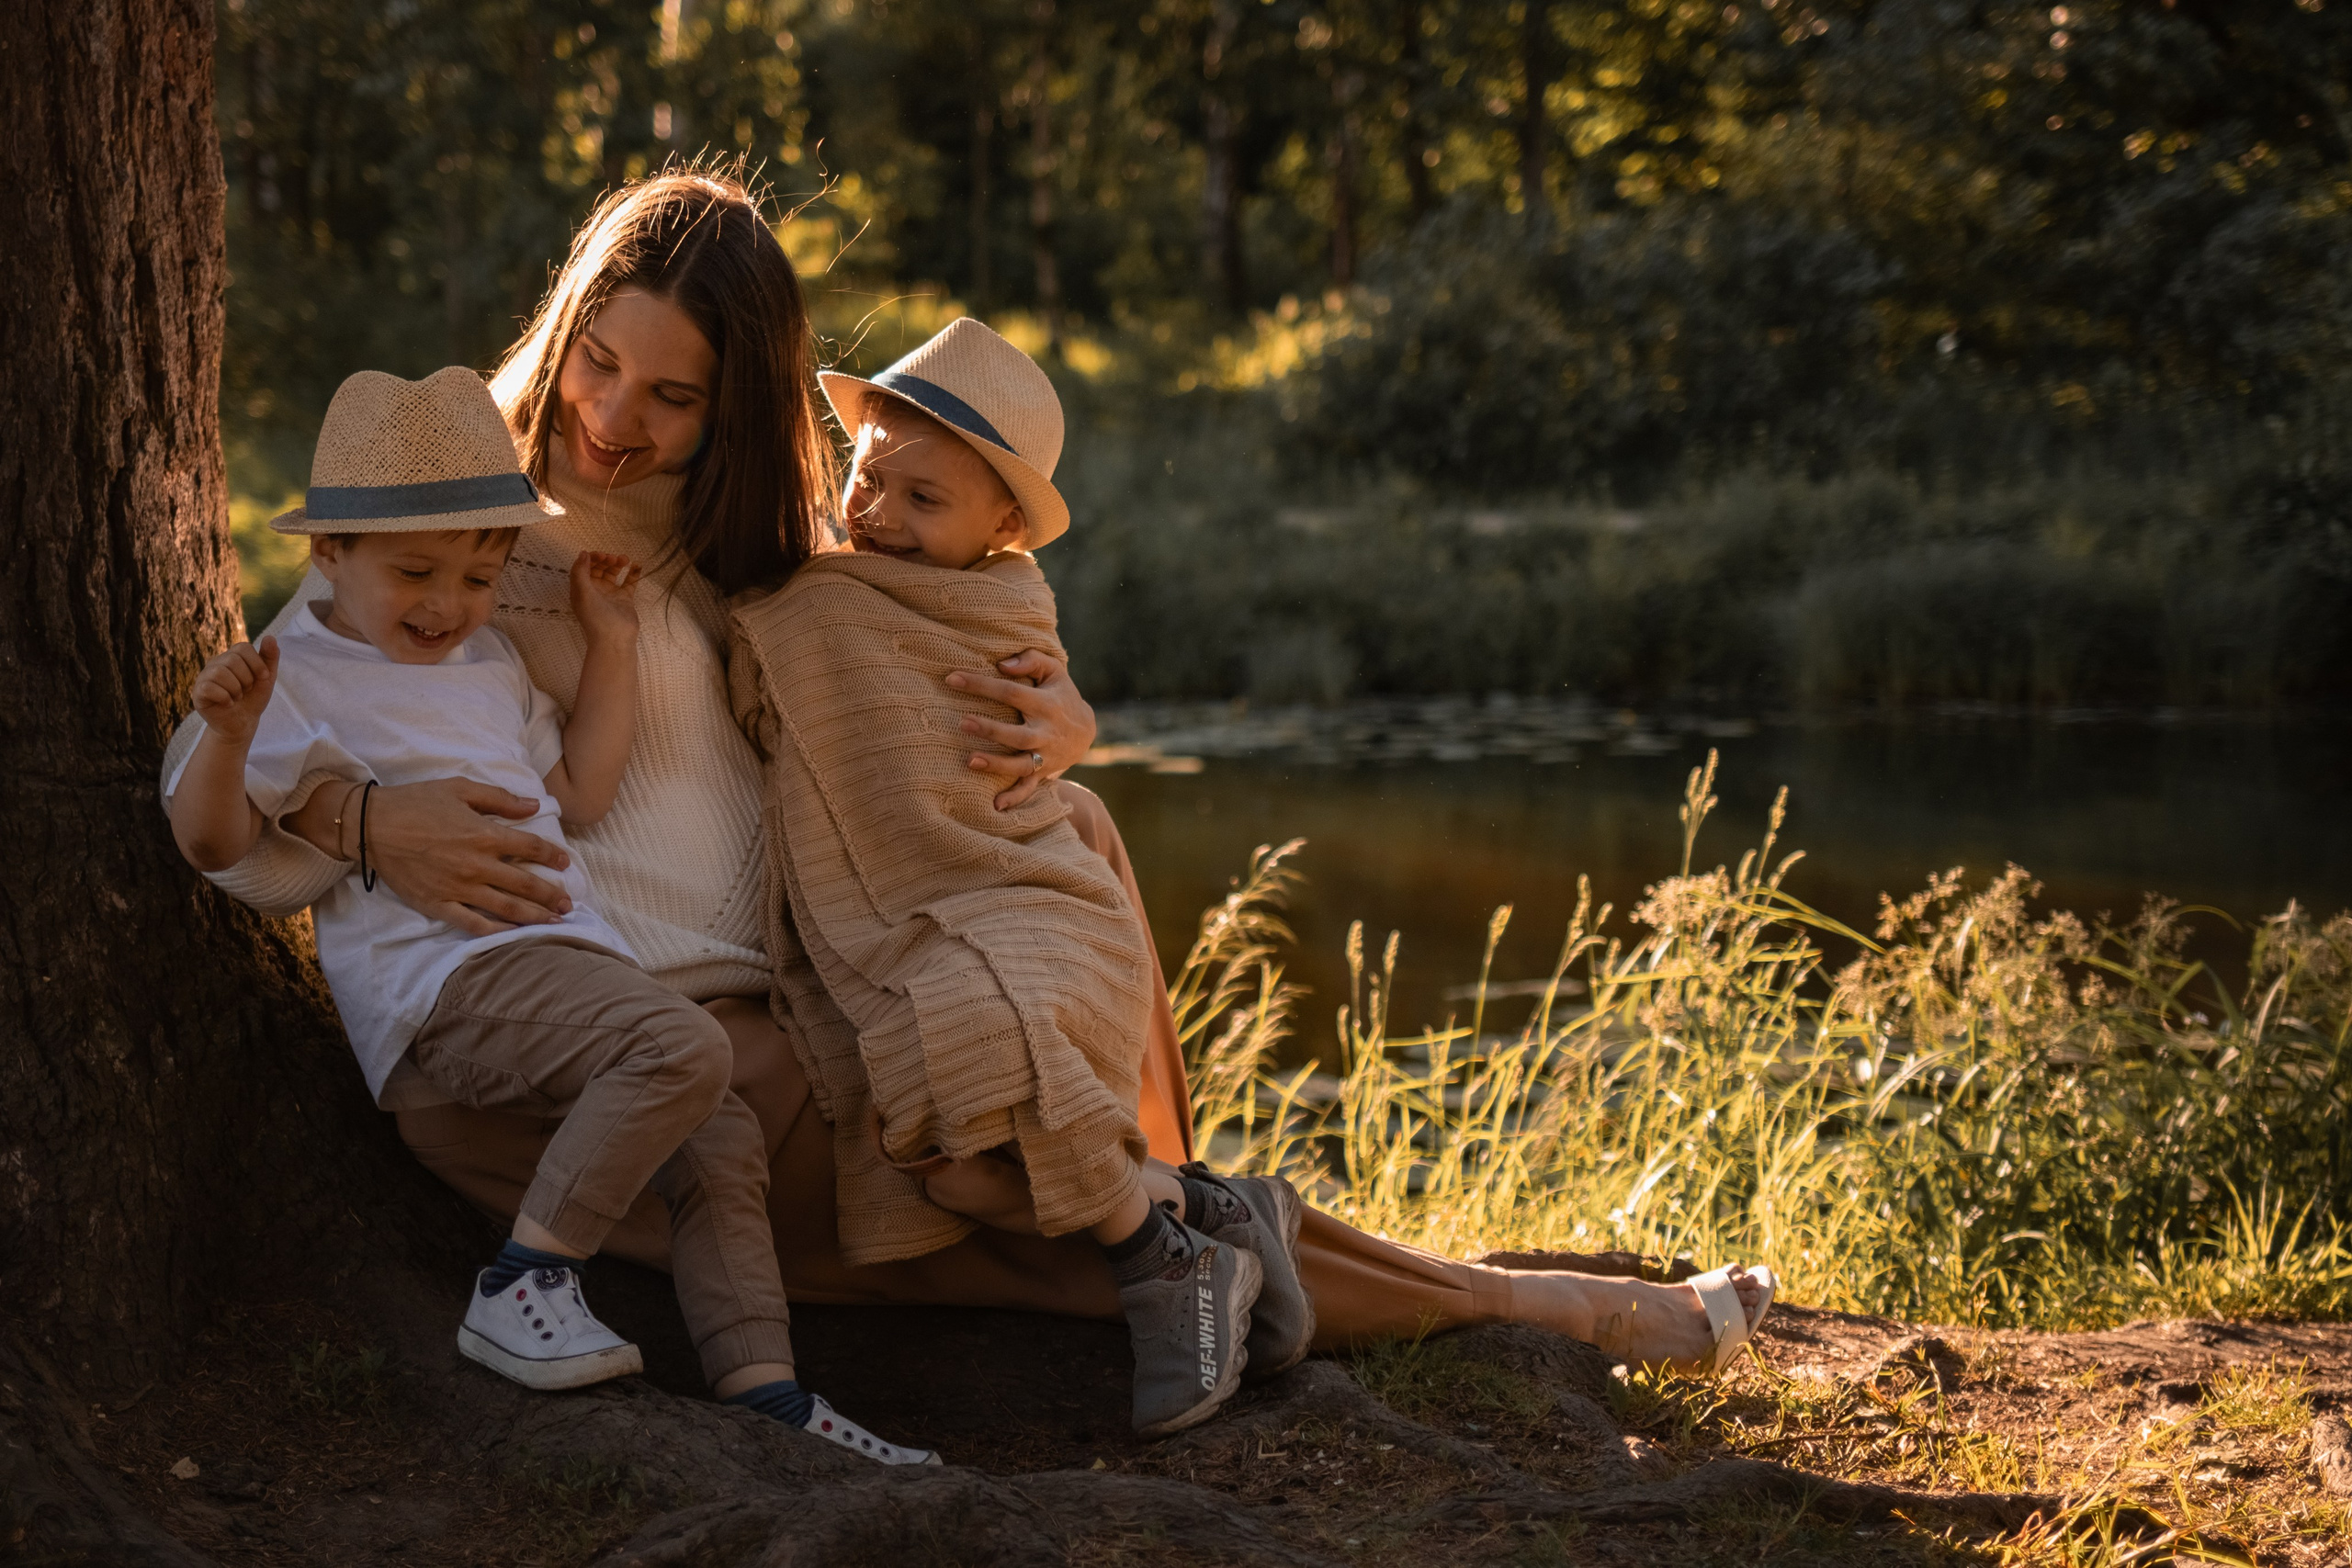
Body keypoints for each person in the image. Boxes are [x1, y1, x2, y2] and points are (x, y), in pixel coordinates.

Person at [164, 168, 1772, 1439]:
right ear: (564, 325)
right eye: (599, 357)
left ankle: (1394, 1273)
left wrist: (1057, 722)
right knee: (1030, 1222)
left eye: (674, 391)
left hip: (792, 1019)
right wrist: (368, 830)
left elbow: (963, 652)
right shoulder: (459, 544)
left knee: (1052, 986)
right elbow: (280, 707)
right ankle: (1528, 1306)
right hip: (601, 1052)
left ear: (738, 405)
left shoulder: (775, 568)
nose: (613, 415)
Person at [163, 365, 939, 1466]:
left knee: (710, 1114)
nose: (449, 604)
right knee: (683, 1045)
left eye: (479, 576)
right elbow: (214, 842)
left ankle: (764, 1389)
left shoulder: (485, 662)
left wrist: (611, 643)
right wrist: (231, 738)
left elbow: (578, 791)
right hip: (447, 988)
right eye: (416, 572)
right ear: (328, 553)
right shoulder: (298, 675)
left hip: (566, 971)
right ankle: (525, 1282)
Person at [726, 316, 1313, 1435]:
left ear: (1002, 527)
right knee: (944, 1169)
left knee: (997, 1055)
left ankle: (1161, 1268)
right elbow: (773, 662)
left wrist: (1071, 729)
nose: (877, 515)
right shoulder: (822, 594)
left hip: (1033, 903)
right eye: (866, 479)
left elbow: (985, 770)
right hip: (915, 926)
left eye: (923, 501)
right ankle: (1208, 1218)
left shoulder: (1004, 607)